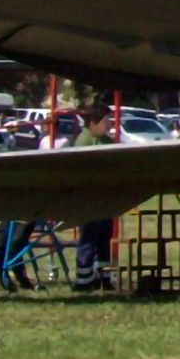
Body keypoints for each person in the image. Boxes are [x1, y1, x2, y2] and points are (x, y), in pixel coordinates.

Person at [71, 115, 116, 292]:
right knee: (88, 239)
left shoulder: (108, 141)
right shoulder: (83, 142)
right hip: (89, 201)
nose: (109, 124)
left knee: (103, 239)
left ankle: (103, 277)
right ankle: (83, 280)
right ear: (92, 123)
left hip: (105, 200)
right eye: (105, 121)